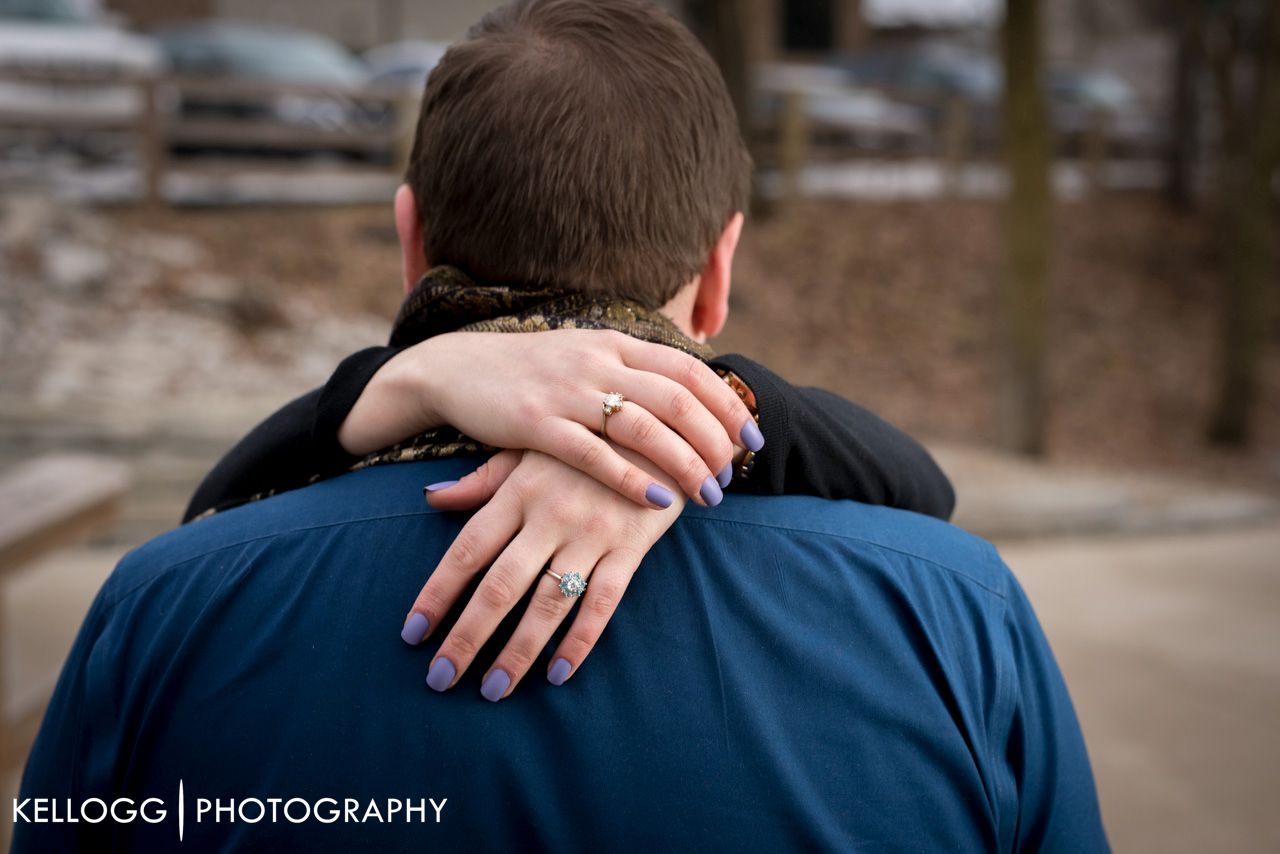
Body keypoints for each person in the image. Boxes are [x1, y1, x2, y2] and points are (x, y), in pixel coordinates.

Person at [17, 1, 1108, 851]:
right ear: (720, 265)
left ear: (411, 243)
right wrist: (706, 412)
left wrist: (392, 382)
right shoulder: (960, 613)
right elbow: (922, 491)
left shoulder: (162, 606)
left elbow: (212, 517)